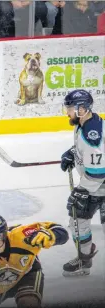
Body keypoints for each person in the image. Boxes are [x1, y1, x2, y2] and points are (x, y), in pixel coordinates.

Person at [60, 89, 104, 276]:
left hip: (98, 184)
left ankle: (84, 260)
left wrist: (82, 190)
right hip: (97, 184)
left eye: (69, 108)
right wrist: (72, 152)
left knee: (78, 217)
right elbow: (85, 150)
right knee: (78, 217)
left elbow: (98, 171)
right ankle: (84, 259)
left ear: (82, 109)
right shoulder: (84, 124)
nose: (67, 113)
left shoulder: (91, 132)